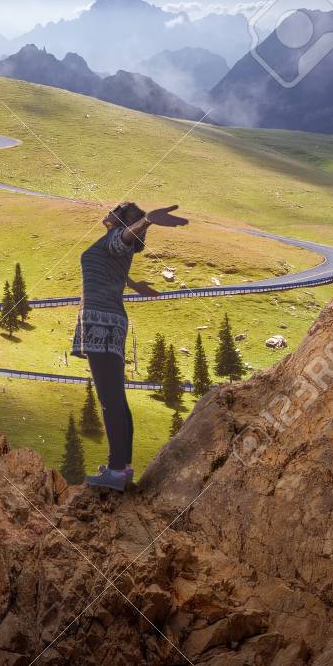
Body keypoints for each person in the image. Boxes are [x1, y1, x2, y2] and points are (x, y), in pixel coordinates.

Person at [74, 200, 188, 491]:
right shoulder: (111, 243)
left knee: (110, 400)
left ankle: (115, 471)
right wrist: (134, 284)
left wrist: (147, 219)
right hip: (109, 324)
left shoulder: (117, 238)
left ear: (121, 220)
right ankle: (121, 468)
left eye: (117, 208)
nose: (110, 209)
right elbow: (113, 260)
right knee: (116, 398)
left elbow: (125, 238)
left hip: (103, 326)